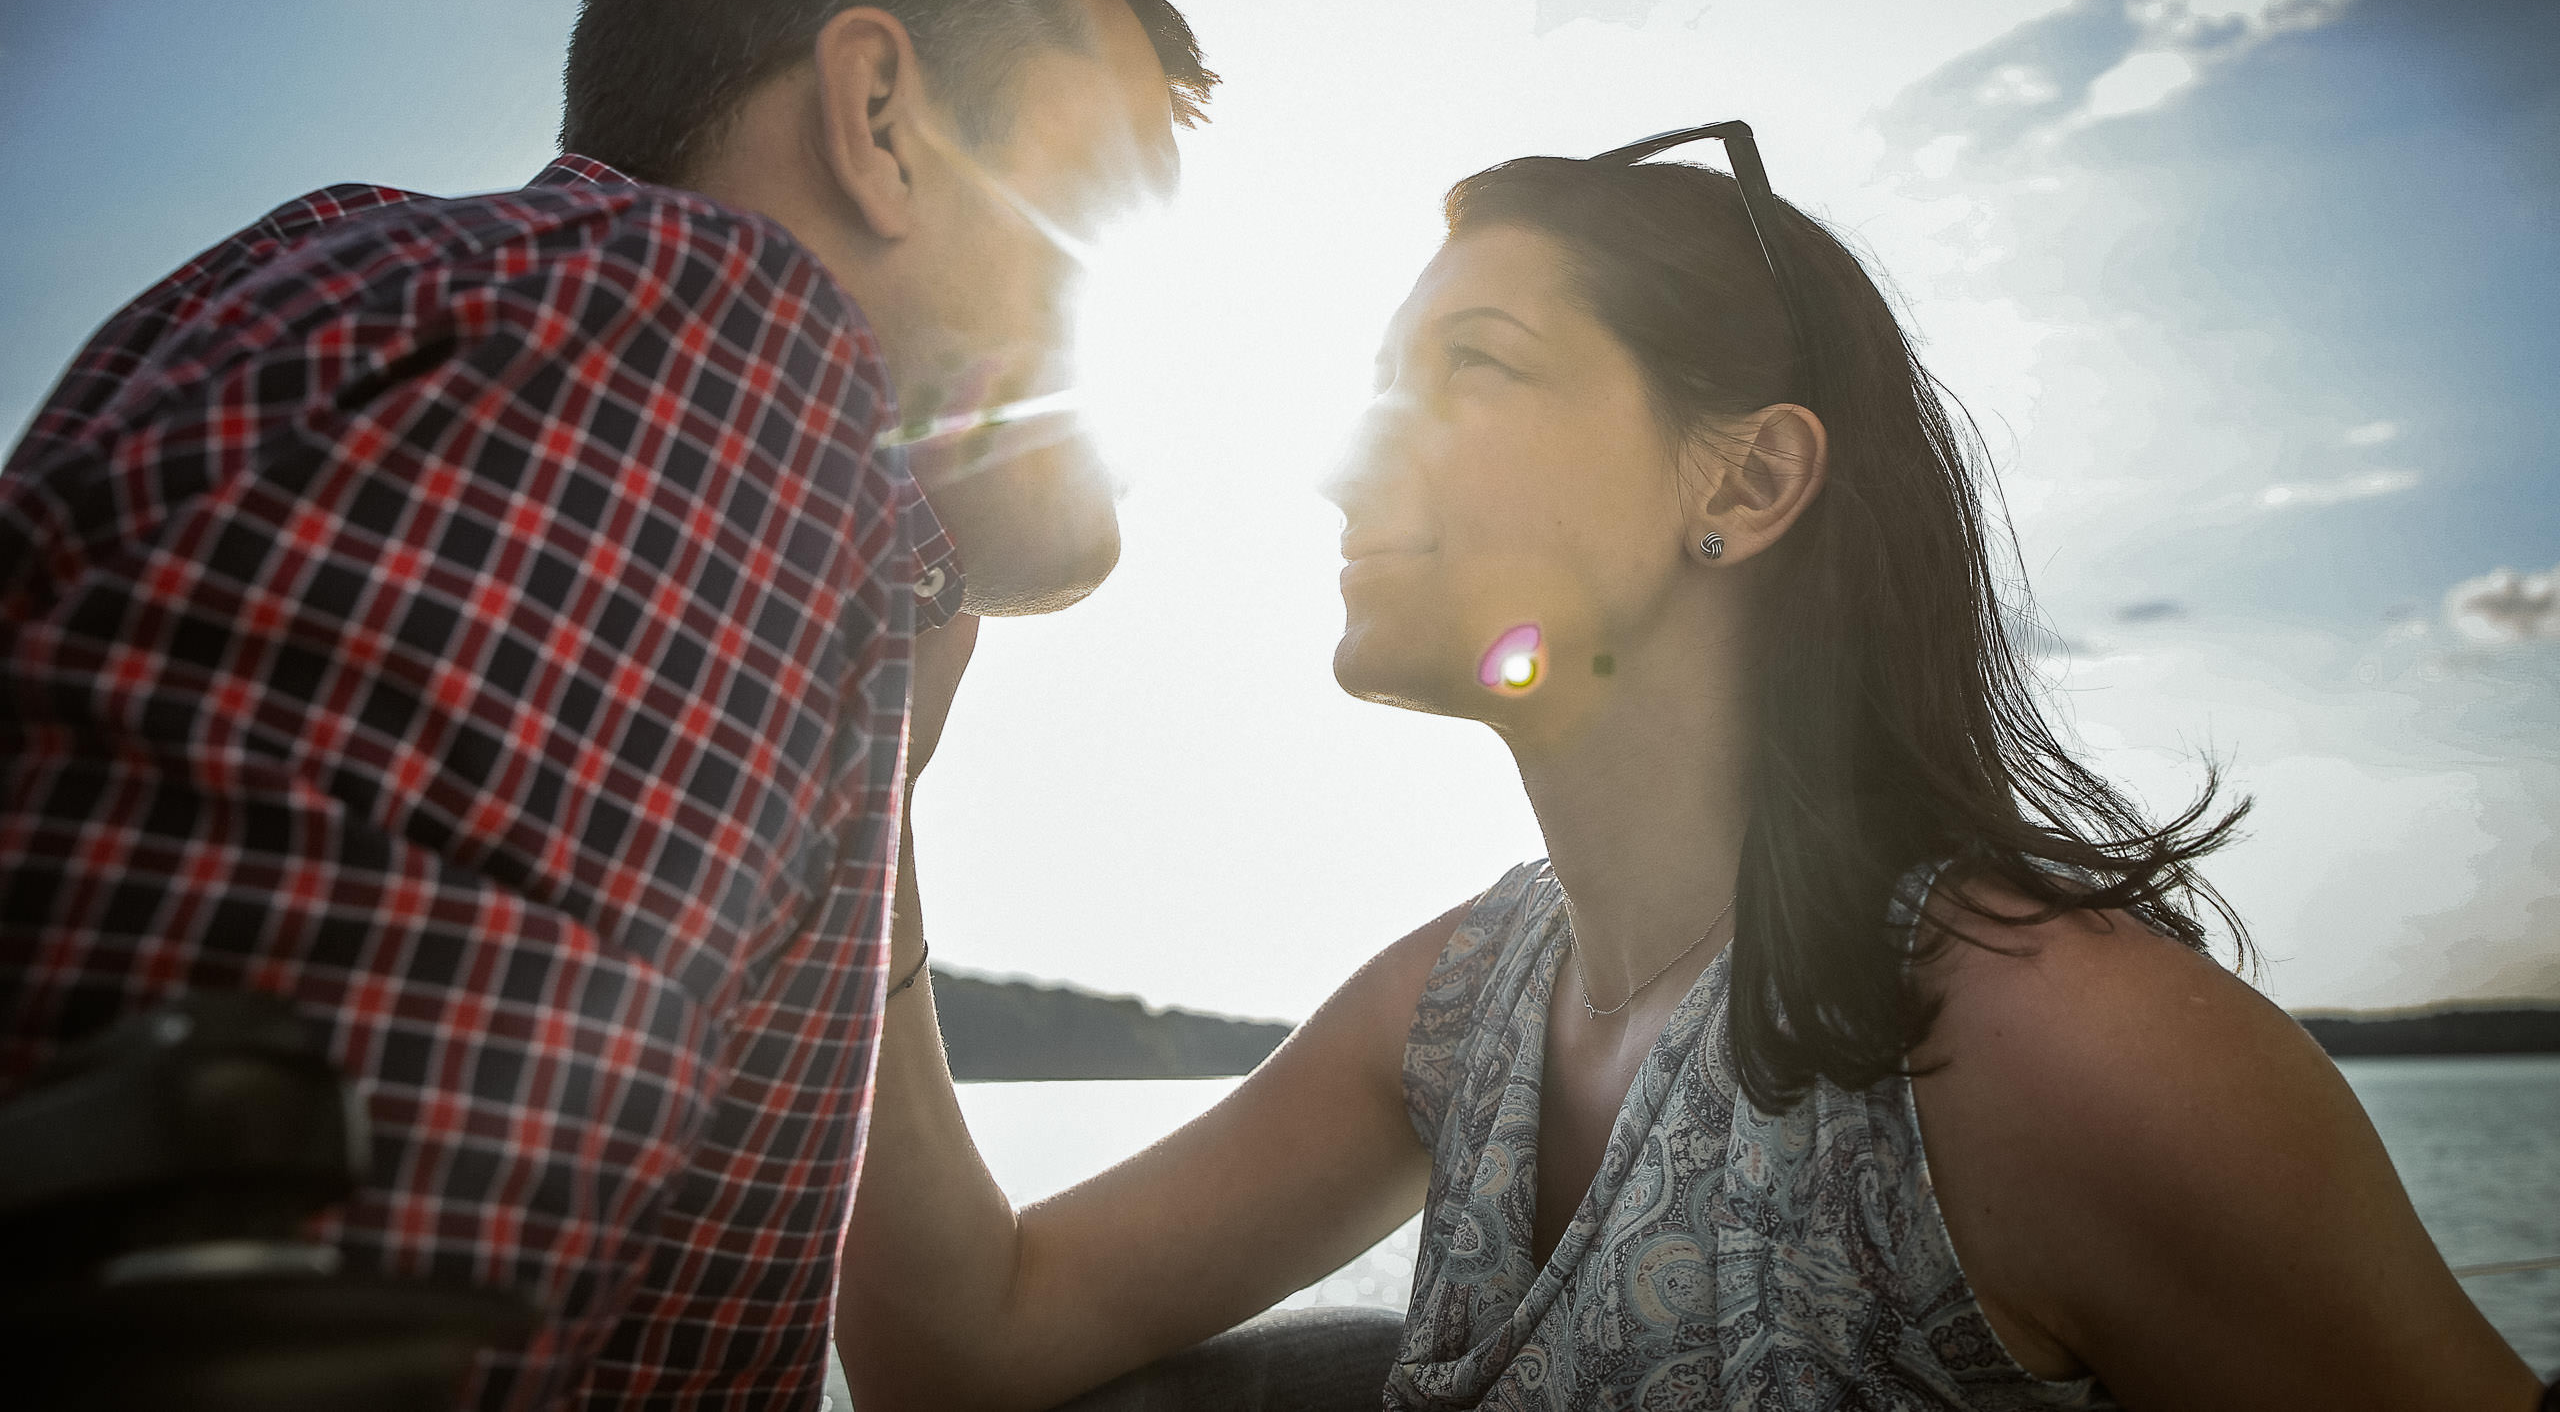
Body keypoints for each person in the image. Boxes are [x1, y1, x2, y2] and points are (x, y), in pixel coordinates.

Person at [843, 132, 2549, 1410]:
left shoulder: (2058, 1047)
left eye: (1472, 370)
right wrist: (878, 804)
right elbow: (965, 1343)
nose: (1346, 460)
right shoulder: (1461, 1011)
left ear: (1743, 484)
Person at [0, 0, 1211, 1409]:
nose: (1127, 298)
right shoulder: (708, 330)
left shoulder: (357, 284)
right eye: (1103, 196)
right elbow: (327, 1316)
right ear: (881, 120)